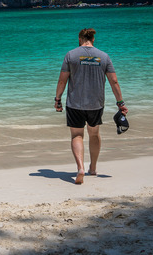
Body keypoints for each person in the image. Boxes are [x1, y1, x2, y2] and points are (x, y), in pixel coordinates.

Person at [54, 28, 127, 185]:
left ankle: (80, 168)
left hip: (74, 104)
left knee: (76, 136)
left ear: (80, 39)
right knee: (94, 134)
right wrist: (120, 103)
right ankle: (92, 168)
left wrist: (58, 99)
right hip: (95, 104)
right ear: (93, 39)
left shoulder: (71, 55)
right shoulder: (104, 56)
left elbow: (62, 81)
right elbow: (114, 82)